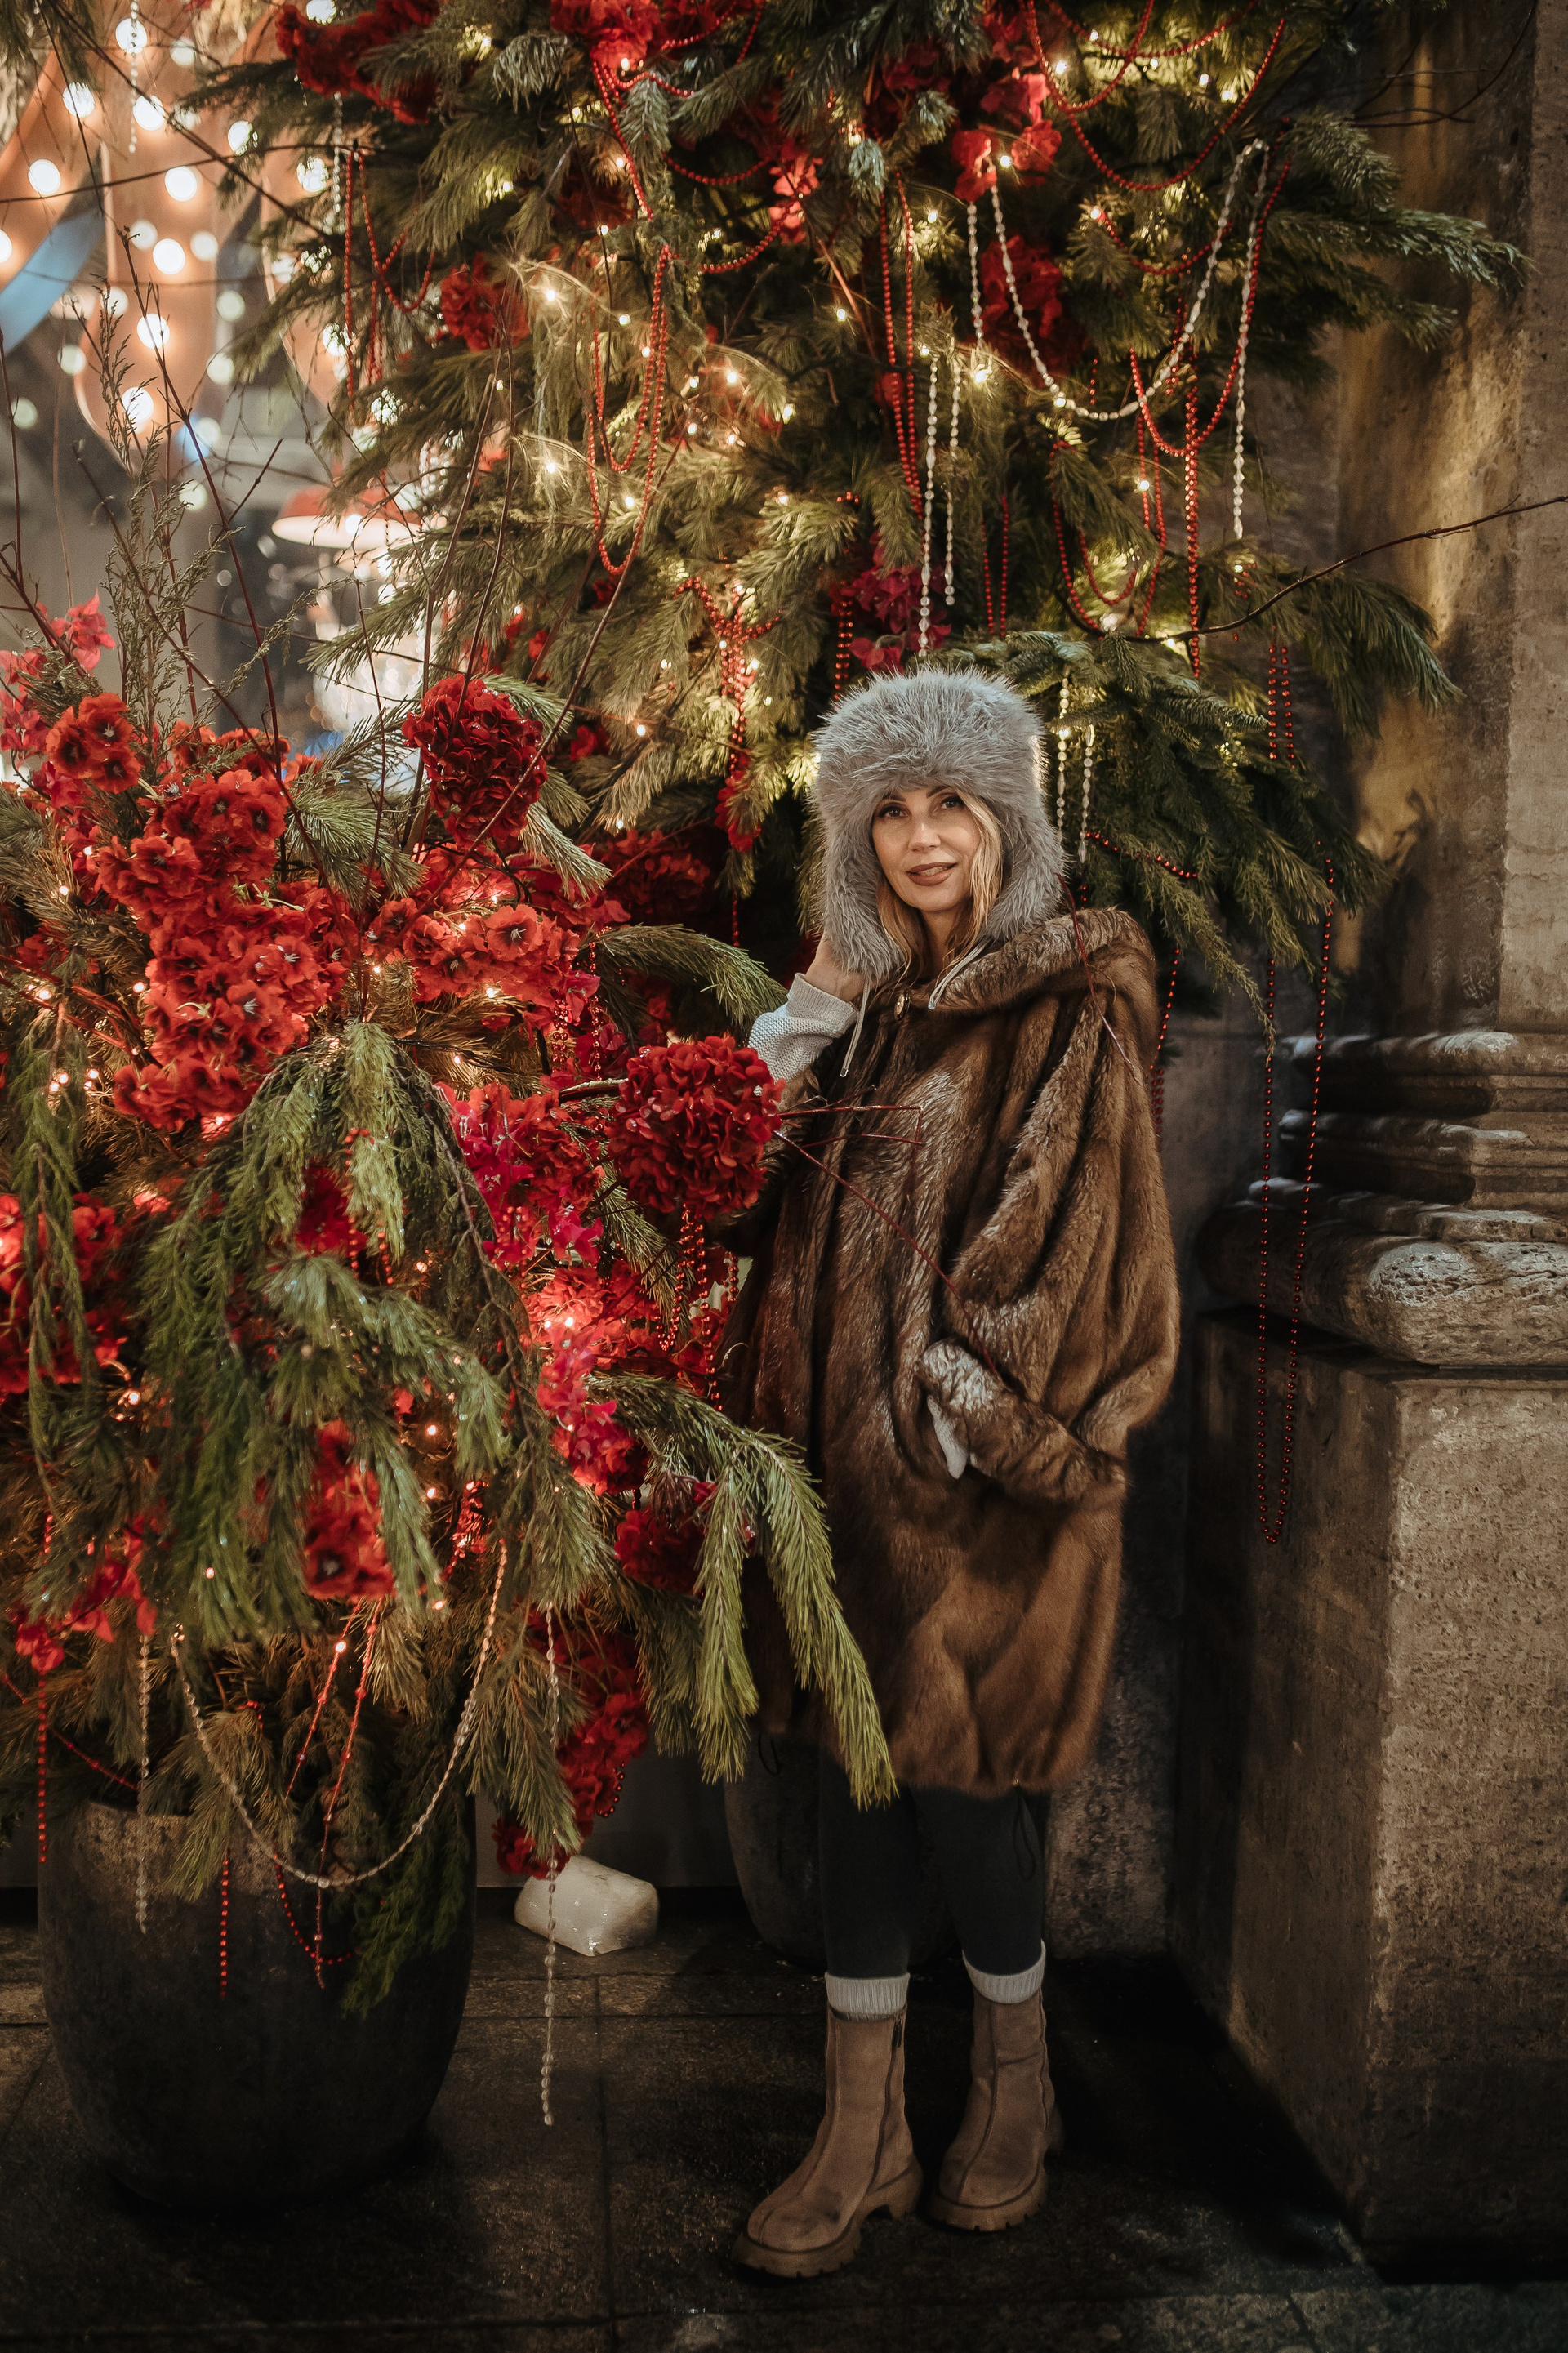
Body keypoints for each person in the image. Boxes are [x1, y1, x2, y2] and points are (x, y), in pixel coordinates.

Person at [718, 665, 1180, 2279]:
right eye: (892, 810)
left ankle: (1013, 2087)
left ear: (1005, 820)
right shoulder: (866, 1014)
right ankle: (865, 2132)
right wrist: (811, 1006)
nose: (923, 836)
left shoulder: (1066, 998)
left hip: (978, 1481)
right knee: (857, 1785)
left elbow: (1084, 1231)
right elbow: (729, 1188)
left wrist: (965, 1399)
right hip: (840, 1486)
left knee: (972, 1795)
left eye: (952, 804)